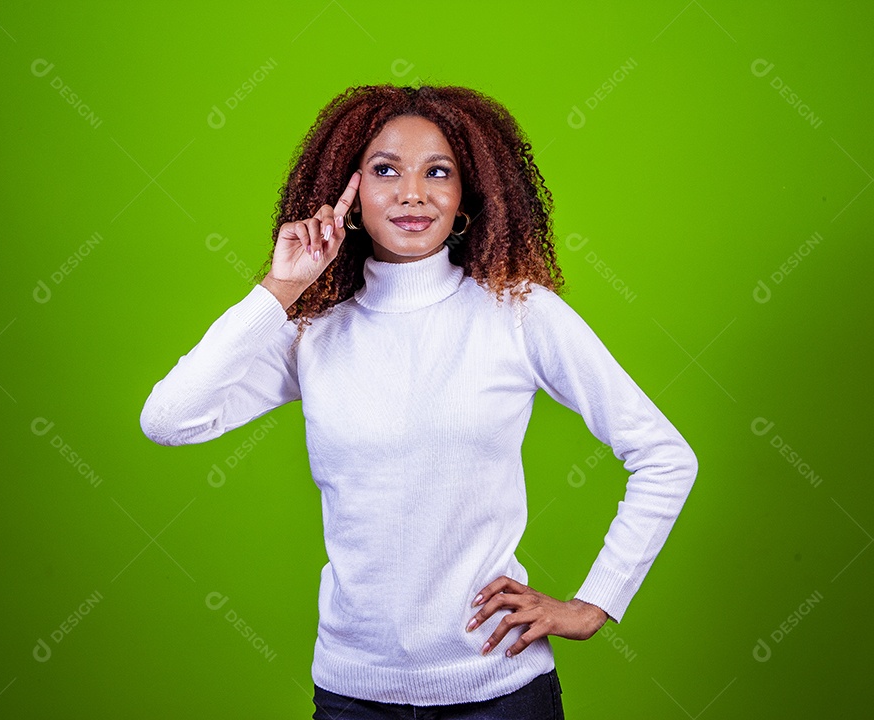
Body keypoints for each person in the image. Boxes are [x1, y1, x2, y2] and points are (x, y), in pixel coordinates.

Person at [139, 84, 697, 719]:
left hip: (499, 691)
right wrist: (280, 288)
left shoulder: (518, 313)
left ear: (468, 195)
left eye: (439, 172)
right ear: (345, 193)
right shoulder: (316, 331)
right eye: (384, 171)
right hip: (354, 694)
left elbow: (663, 455)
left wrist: (594, 604)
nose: (412, 194)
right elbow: (168, 420)